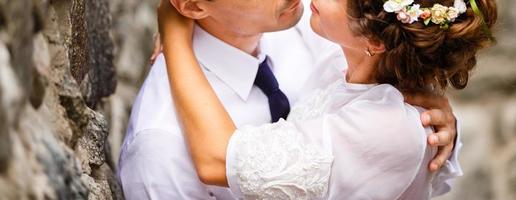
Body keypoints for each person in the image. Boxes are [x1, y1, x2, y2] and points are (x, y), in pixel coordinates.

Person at [118, 0, 462, 199]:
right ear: (193, 5)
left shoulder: (308, 24)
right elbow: (215, 161)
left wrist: (430, 118)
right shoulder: (162, 147)